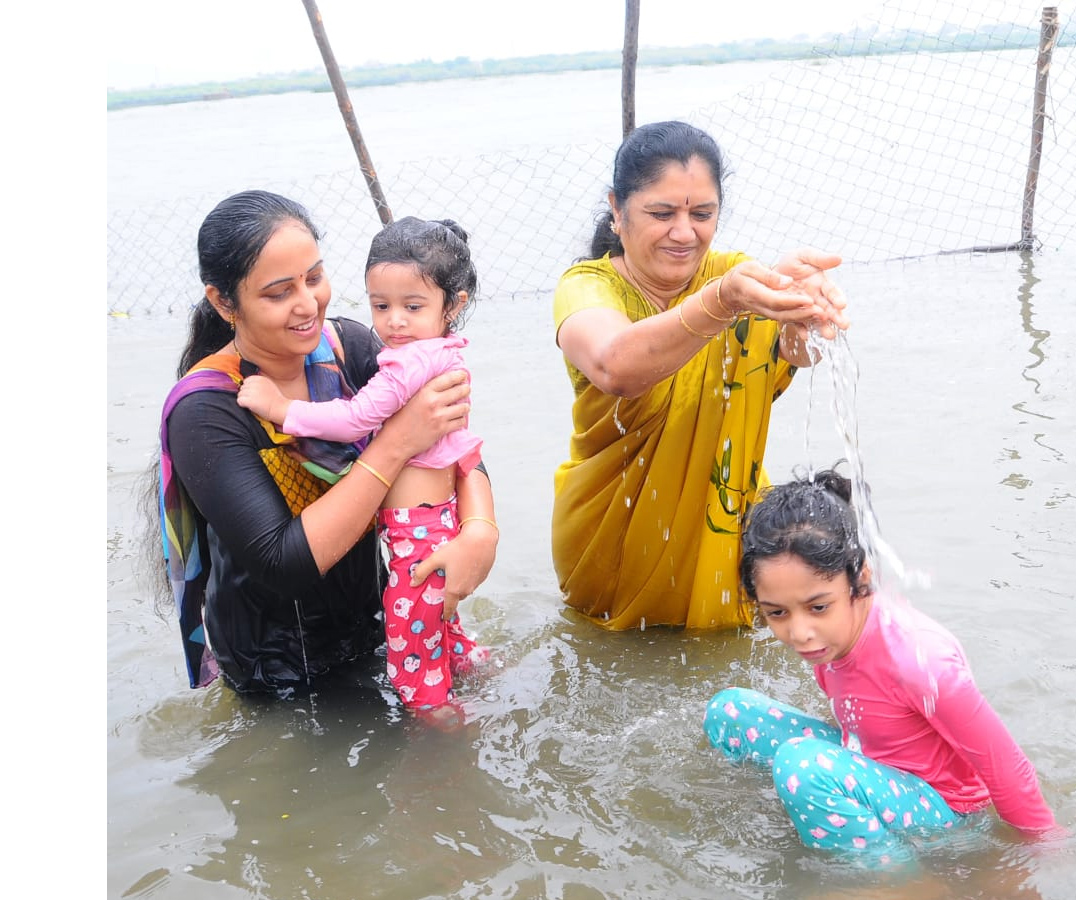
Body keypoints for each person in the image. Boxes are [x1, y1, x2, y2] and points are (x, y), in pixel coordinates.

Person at [156, 190, 498, 698]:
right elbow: (283, 564)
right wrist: (394, 445)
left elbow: (449, 443)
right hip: (280, 669)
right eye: (278, 293)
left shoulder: (351, 348)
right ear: (224, 302)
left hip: (380, 624)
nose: (307, 304)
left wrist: (480, 531)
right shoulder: (206, 411)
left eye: (314, 278)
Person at [551, 119, 850, 630]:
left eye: (703, 214)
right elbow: (614, 365)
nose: (685, 232)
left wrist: (804, 310)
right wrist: (721, 303)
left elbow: (792, 355)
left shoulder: (732, 275)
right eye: (661, 213)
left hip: (732, 533)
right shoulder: (587, 286)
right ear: (617, 210)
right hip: (612, 546)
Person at [703, 467, 1062, 861]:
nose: (799, 632)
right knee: (730, 711)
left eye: (817, 607)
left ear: (861, 579)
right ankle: (827, 808)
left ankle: (898, 879)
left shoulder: (920, 663)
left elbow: (1006, 766)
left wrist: (1039, 858)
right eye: (776, 613)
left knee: (800, 767)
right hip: (876, 768)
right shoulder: (830, 637)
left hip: (946, 811)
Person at [237, 216, 495, 716]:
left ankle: (443, 740)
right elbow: (465, 448)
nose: (394, 322)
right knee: (443, 633)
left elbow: (355, 419)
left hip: (415, 541)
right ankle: (484, 687)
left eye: (412, 307)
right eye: (381, 306)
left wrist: (279, 408)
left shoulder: (404, 364)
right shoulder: (445, 354)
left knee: (413, 668)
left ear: (454, 305)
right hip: (442, 524)